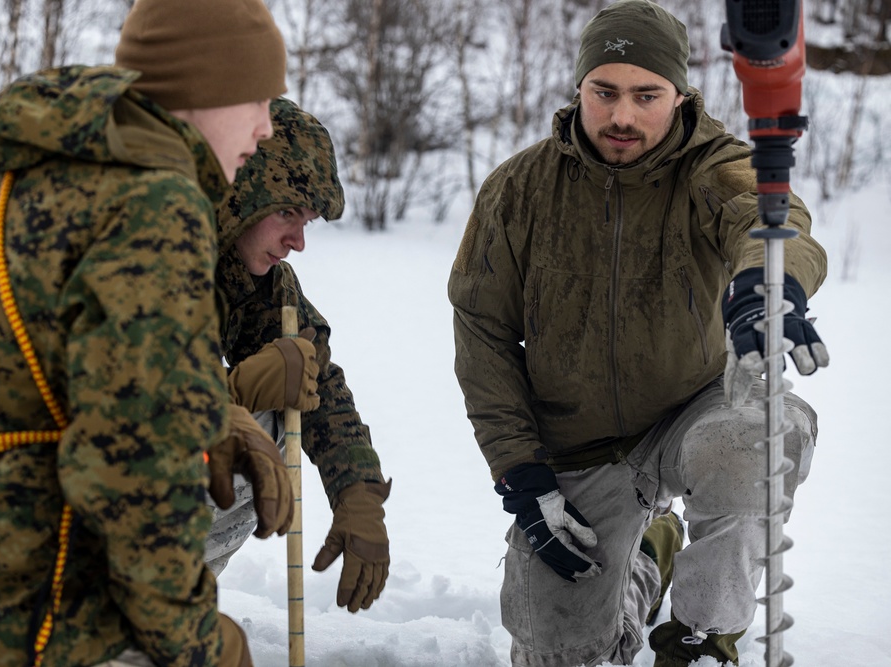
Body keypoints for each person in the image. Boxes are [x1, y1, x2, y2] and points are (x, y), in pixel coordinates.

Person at [0, 1, 295, 666]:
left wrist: (205, 409)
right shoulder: (155, 200)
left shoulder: (11, 168)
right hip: (9, 612)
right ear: (203, 88)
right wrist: (196, 644)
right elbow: (131, 465)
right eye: (256, 97)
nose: (265, 126)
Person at [447, 1, 828, 666]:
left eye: (646, 95)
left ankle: (704, 635)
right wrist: (520, 468)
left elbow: (770, 216)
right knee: (560, 654)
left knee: (753, 435)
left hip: (694, 411)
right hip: (579, 444)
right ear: (579, 89)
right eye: (605, 92)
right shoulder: (519, 191)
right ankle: (650, 557)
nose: (623, 116)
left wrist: (769, 284)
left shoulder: (712, 167)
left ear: (678, 95)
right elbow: (482, 330)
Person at [207, 97, 392, 614]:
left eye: (306, 220)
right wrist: (238, 389)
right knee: (249, 430)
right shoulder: (156, 251)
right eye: (286, 212)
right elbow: (123, 403)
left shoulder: (259, 280)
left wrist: (358, 490)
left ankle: (165, 594)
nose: (297, 241)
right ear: (241, 193)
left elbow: (320, 381)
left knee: (276, 422)